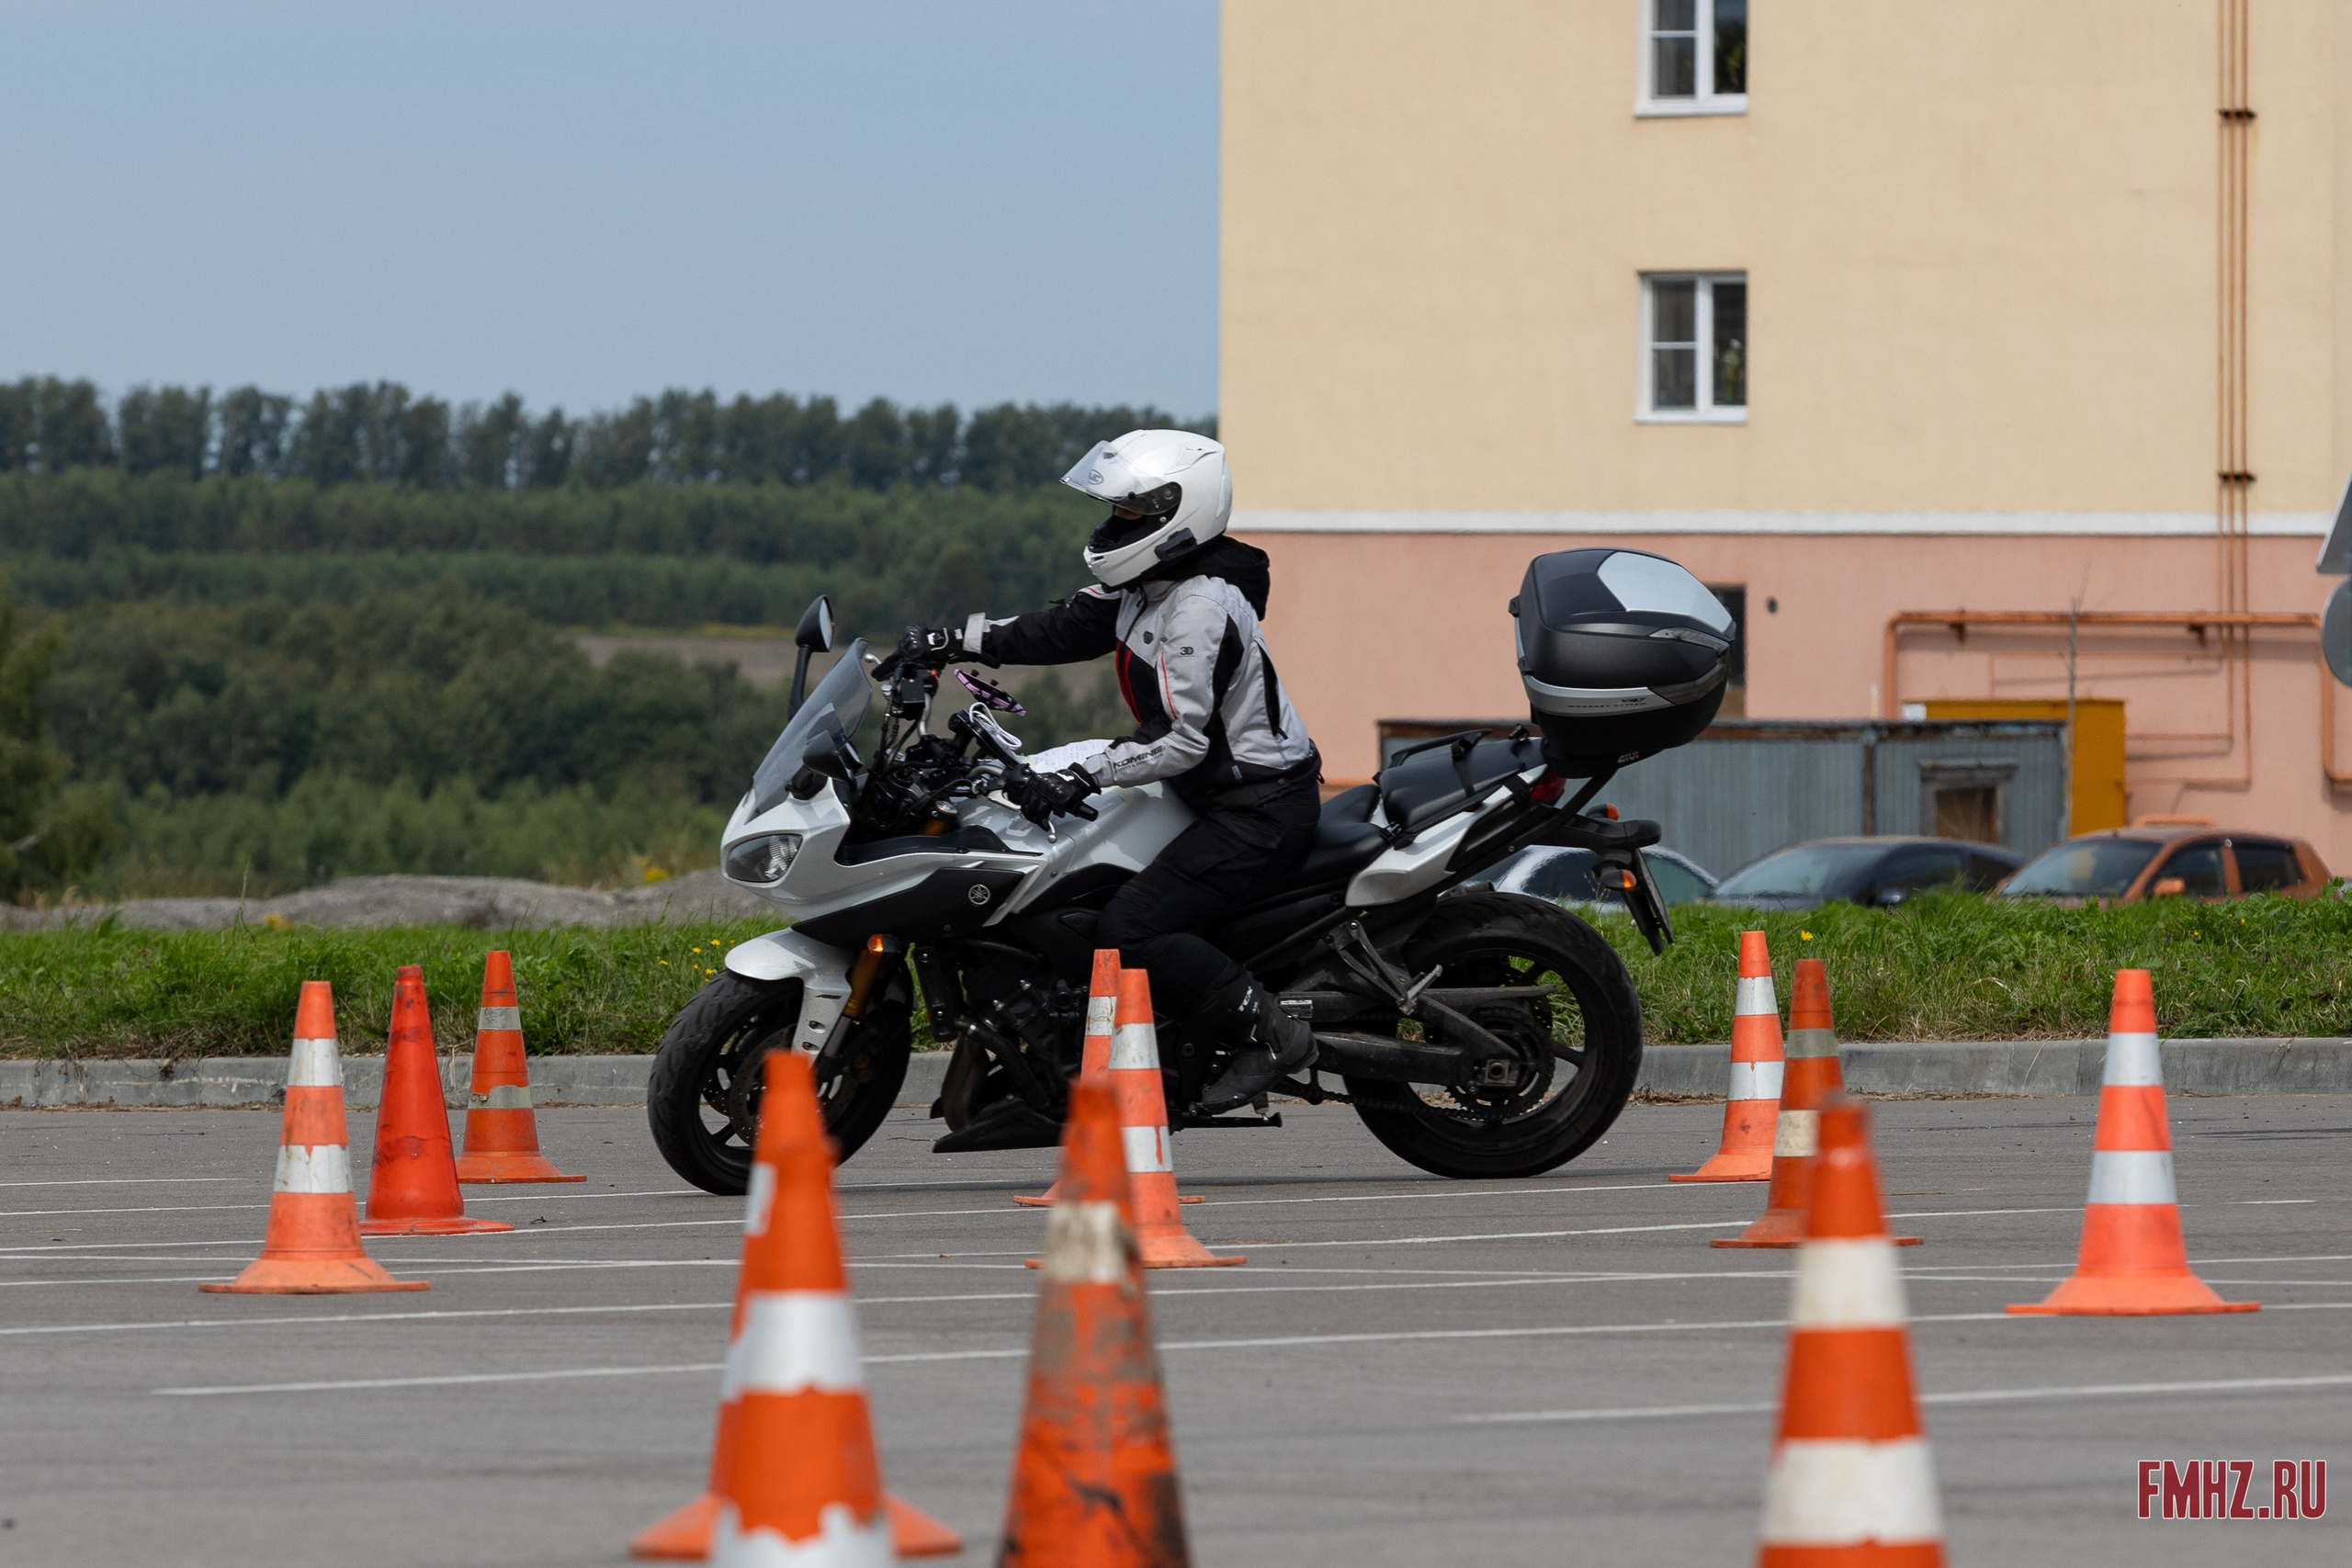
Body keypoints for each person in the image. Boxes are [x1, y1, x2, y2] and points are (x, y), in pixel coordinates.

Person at [902, 429, 1320, 1113]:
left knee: (1131, 925)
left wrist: (1083, 777)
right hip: (1210, 794)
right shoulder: (1147, 585)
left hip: (1258, 809)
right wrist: (948, 641)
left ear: (1176, 514)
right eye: (1117, 511)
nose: (1114, 524)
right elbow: (1056, 627)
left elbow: (1182, 740)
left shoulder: (1200, 606)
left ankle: (1269, 1032)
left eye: (1130, 513)